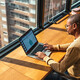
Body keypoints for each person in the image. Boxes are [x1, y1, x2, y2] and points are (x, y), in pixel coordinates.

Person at [35, 14, 80, 80]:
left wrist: (44, 57)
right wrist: (54, 47)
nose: (66, 28)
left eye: (67, 26)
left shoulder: (74, 47)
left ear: (74, 26)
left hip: (73, 77)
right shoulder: (77, 41)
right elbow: (72, 44)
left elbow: (60, 68)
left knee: (43, 76)